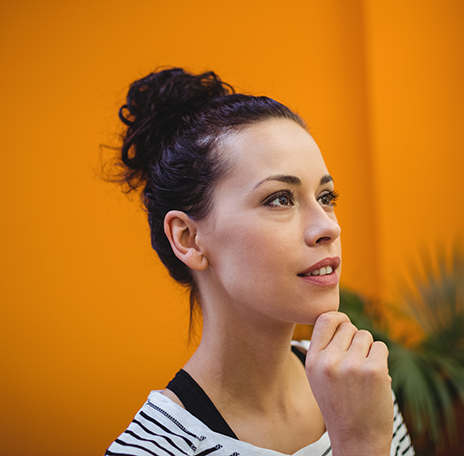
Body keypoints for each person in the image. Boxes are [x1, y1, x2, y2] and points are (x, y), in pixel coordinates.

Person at [105, 68, 413, 456]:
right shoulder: (150, 450)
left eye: (327, 197)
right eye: (280, 198)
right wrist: (360, 445)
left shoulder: (355, 384)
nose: (327, 227)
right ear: (189, 239)